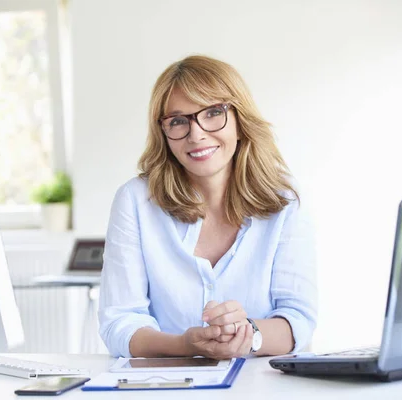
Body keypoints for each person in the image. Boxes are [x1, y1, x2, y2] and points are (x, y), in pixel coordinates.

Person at [98, 55, 317, 359]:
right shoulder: (135, 201)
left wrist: (247, 334)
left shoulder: (284, 202)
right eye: (177, 121)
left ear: (241, 122)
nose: (196, 134)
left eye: (214, 113)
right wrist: (184, 346)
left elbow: (298, 319)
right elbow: (119, 323)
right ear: (164, 134)